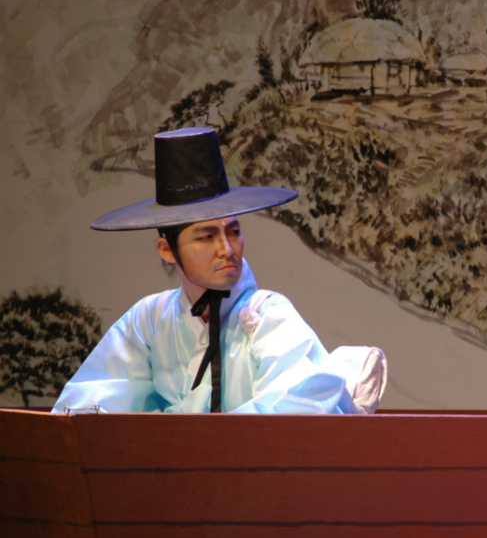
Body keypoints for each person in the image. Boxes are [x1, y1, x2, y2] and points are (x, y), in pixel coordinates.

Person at [53, 126, 373, 414]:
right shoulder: (150, 318)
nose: (227, 249)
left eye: (233, 232)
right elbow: (89, 404)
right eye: (206, 237)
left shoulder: (267, 316)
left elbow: (297, 405)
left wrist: (201, 443)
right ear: (167, 250)